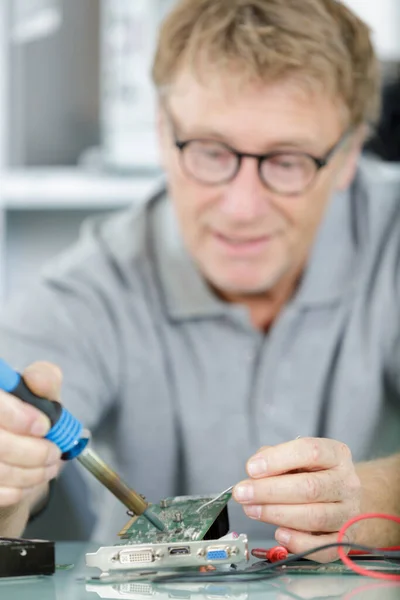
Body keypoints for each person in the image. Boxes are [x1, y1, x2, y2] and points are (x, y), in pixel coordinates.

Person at [0, 0, 399, 563]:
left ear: (349, 154)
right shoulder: (90, 287)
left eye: (287, 161)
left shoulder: (391, 234)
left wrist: (375, 500)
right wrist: (8, 485)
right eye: (211, 152)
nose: (241, 208)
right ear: (163, 133)